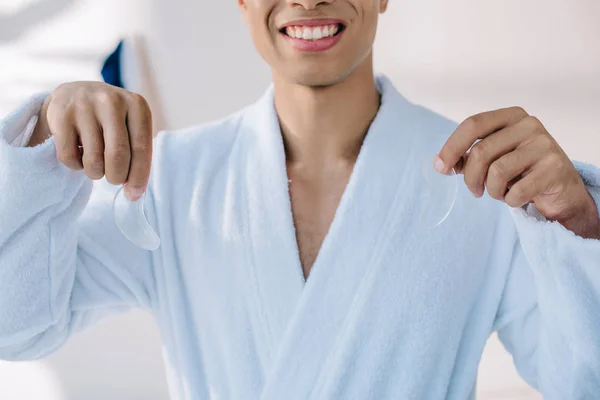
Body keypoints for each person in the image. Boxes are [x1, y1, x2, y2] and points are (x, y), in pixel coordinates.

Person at [1, 0, 599, 398]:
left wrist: (580, 224)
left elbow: (584, 378)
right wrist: (43, 140)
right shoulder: (174, 179)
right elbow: (15, 326)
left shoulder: (484, 186)